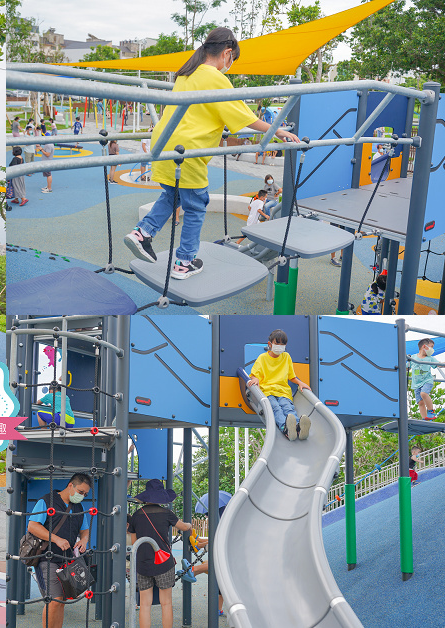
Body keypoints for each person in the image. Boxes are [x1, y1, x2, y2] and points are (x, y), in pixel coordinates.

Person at [123, 28, 300, 280]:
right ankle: (184, 263)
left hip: (163, 146)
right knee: (196, 206)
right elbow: (243, 116)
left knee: (173, 194)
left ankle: (142, 232)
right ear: (227, 53)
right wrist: (278, 130)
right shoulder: (214, 77)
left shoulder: (186, 73)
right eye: (233, 60)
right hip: (188, 152)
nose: (230, 65)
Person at [27, 473, 92, 628]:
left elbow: (85, 530)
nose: (82, 496)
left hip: (66, 561)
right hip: (47, 558)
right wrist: (55, 538)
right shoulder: (46, 501)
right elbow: (32, 525)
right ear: (71, 486)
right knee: (54, 600)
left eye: (85, 494)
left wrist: (83, 540)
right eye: (80, 492)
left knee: (61, 600)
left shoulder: (79, 507)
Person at [128, 480, 194, 628]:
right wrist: (189, 525)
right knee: (166, 603)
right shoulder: (167, 514)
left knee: (145, 604)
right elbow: (183, 527)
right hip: (163, 562)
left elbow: (134, 543)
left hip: (143, 563)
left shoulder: (136, 515)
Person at [247, 329, 311, 440]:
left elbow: (291, 376)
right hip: (267, 391)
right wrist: (255, 379)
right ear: (270, 344)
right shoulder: (263, 358)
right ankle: (285, 428)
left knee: (288, 408)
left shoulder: (286, 357)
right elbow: (254, 374)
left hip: (283, 391)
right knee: (275, 408)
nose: (280, 346)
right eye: (277, 343)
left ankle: (298, 428)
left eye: (283, 344)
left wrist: (300, 383)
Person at [410, 337, 440, 419]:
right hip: (416, 384)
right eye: (431, 347)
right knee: (420, 402)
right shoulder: (413, 358)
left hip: (427, 381)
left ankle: (431, 411)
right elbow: (406, 367)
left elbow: (439, 364)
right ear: (424, 346)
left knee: (423, 394)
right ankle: (424, 418)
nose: (432, 349)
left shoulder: (430, 358)